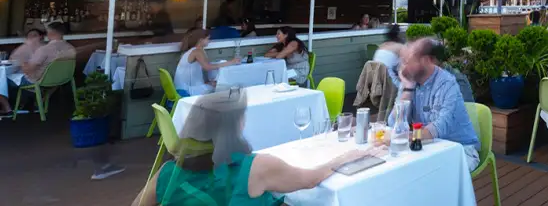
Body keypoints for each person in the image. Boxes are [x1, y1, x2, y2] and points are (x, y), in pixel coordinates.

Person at [132, 90, 385, 206]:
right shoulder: (257, 167)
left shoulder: (167, 172)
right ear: (236, 125)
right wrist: (344, 157)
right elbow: (309, 180)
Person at [388, 38, 481, 170]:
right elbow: (392, 122)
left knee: (432, 174)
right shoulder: (409, 81)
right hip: (427, 147)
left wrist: (402, 137)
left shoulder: (447, 84)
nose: (402, 66)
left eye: (408, 61)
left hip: (460, 149)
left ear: (425, 61)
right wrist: (407, 90)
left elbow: (438, 128)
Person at [174, 28, 239, 96]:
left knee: (215, 84)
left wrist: (208, 82)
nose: (209, 41)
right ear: (201, 40)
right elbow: (208, 67)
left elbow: (207, 66)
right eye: (208, 39)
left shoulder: (196, 50)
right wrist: (231, 62)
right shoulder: (197, 51)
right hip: (185, 91)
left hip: (183, 88)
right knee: (221, 86)